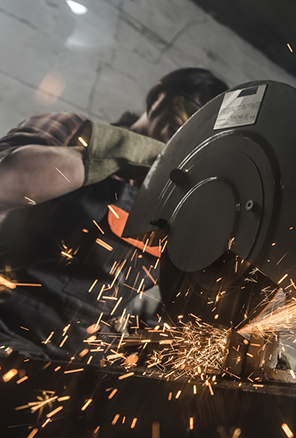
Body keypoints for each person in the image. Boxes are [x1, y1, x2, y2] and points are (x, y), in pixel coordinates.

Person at [0, 68, 229, 362]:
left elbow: (147, 306)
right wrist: (126, 151)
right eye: (190, 111)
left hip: (76, 369)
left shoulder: (173, 206)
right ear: (158, 95)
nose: (190, 129)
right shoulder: (74, 131)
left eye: (204, 128)